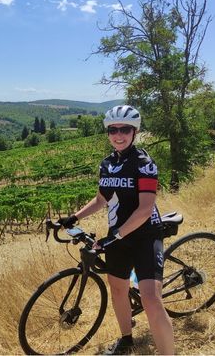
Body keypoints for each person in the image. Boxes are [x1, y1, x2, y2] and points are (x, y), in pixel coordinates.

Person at [58, 105, 175, 355]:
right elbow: (101, 199)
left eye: (124, 129)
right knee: (118, 289)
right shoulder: (107, 164)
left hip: (145, 235)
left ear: (135, 131)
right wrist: (73, 217)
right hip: (117, 237)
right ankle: (126, 340)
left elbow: (145, 209)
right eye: (113, 129)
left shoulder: (144, 164)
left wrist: (116, 234)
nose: (118, 135)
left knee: (151, 300)